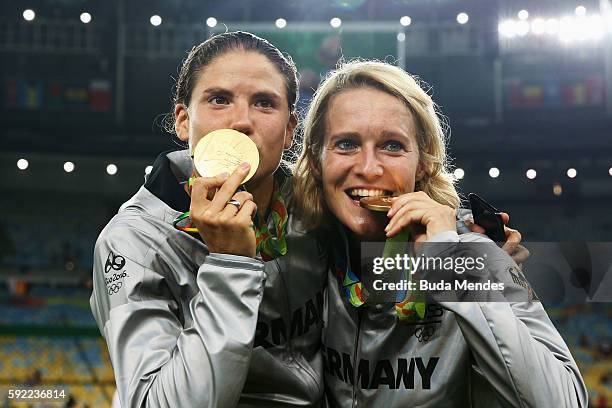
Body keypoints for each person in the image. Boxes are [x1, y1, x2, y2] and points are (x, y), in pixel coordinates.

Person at [293, 60, 587, 407]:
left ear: (424, 164)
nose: (368, 168)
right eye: (346, 144)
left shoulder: (476, 254)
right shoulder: (306, 250)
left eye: (392, 146)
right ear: (315, 160)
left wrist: (452, 264)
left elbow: (565, 401)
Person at [90, 31, 327, 407]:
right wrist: (231, 266)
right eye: (219, 100)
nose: (241, 122)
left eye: (265, 103)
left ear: (289, 131)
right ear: (183, 121)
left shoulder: (319, 211)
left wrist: (448, 248)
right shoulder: (133, 242)